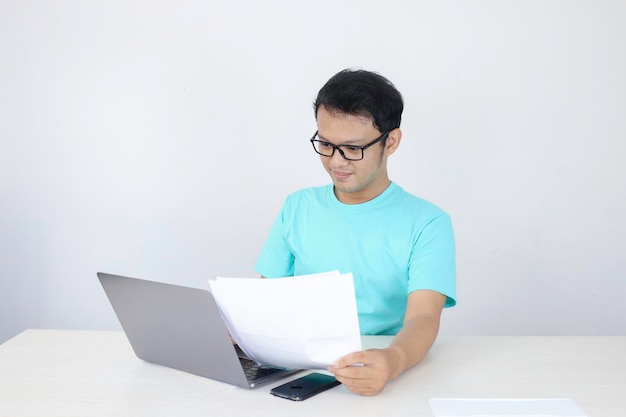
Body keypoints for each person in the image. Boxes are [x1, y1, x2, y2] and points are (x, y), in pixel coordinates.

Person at [255, 69, 456, 395]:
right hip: (297, 370)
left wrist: (394, 359)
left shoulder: (428, 223)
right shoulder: (297, 207)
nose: (336, 162)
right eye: (325, 143)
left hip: (379, 363)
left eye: (352, 148)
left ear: (390, 141)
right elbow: (266, 302)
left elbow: (423, 319)